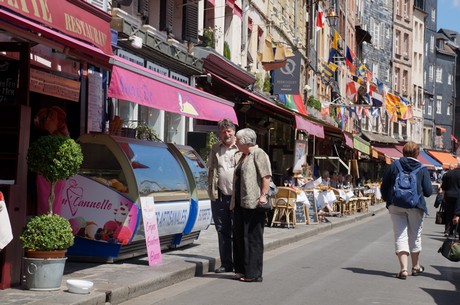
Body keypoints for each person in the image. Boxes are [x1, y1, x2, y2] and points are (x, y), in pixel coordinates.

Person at [380, 141, 433, 280]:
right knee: (415, 235)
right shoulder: (422, 168)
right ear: (417, 153)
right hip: (416, 206)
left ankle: (403, 269)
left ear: (402, 152)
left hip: (396, 205)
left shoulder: (394, 165)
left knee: (400, 235)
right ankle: (415, 267)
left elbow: (384, 186)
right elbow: (428, 191)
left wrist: (388, 201)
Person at [231, 128, 271, 282]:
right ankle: (241, 270)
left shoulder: (259, 153)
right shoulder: (242, 156)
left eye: (238, 139)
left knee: (253, 238)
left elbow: (266, 176)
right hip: (240, 203)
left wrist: (263, 195)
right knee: (239, 237)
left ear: (245, 141)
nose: (235, 141)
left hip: (253, 202)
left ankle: (253, 274)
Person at [207, 119, 238, 273]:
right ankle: (226, 263)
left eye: (229, 131)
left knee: (237, 230)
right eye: (223, 131)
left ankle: (239, 263)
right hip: (219, 195)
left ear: (234, 131)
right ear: (219, 133)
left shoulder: (241, 149)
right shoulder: (215, 148)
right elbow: (211, 170)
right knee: (222, 230)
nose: (226, 134)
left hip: (237, 197)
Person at [33, 106, 69, 215]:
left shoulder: (52, 137)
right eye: (55, 119)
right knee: (49, 210)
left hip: (51, 181)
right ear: (47, 120)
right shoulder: (44, 138)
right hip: (48, 182)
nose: (58, 122)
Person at [440, 161, 460, 236]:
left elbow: (444, 187)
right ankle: (457, 231)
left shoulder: (448, 173)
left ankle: (447, 230)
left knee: (448, 213)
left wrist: (443, 197)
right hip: (458, 196)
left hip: (449, 195)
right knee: (457, 213)